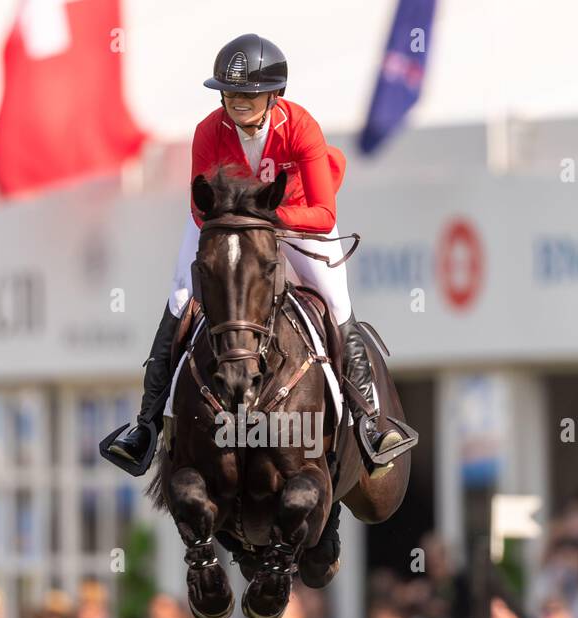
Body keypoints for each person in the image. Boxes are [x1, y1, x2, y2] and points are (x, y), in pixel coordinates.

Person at [103, 33, 412, 477]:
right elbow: (198, 205)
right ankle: (147, 426)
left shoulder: (301, 126)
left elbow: (324, 213)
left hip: (298, 222)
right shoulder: (208, 131)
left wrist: (267, 218)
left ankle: (368, 423)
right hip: (224, 226)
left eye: (247, 95)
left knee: (338, 306)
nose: (236, 103)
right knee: (177, 301)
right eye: (230, 94)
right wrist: (243, 221)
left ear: (273, 94)